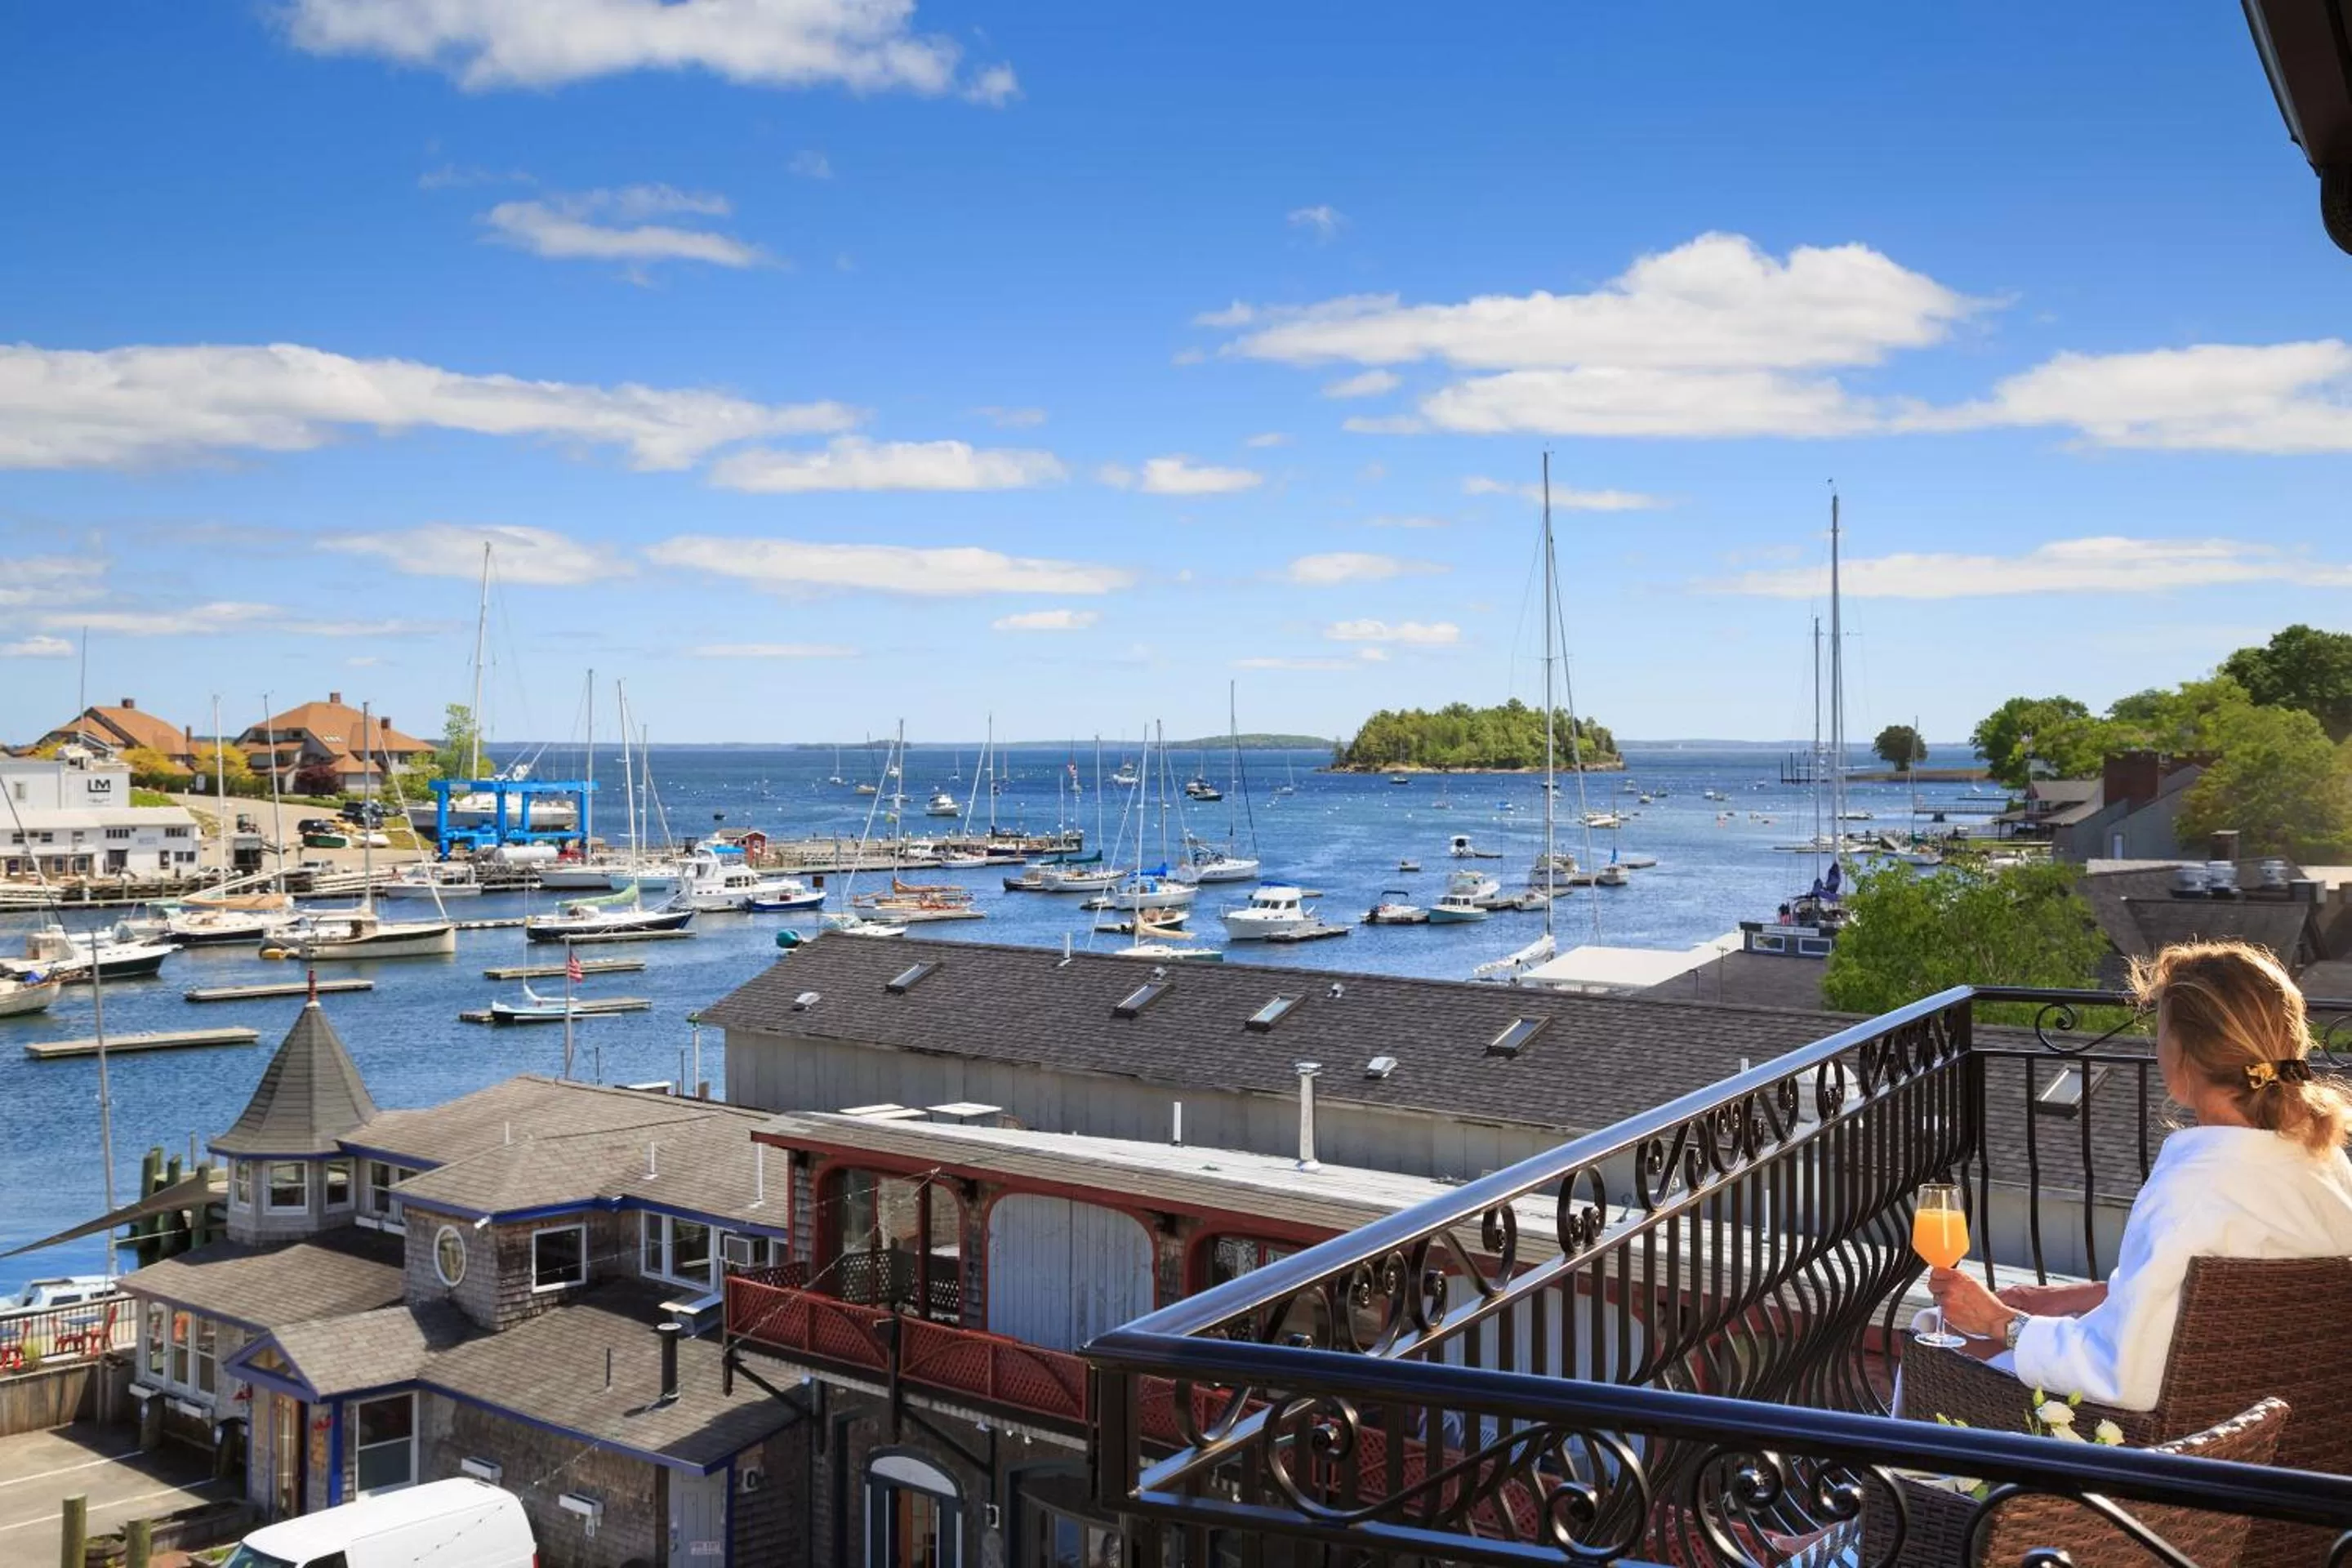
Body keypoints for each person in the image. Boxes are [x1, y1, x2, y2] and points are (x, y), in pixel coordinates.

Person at [1928, 939, 2352, 1410]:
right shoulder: (2325, 1162)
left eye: (2162, 1029)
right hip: (2287, 1423)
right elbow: (2231, 1299)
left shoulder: (2191, 1190)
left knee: (1939, 1347)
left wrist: (1999, 1322)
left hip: (2177, 1445)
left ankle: (1905, 1482)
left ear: (2185, 1055)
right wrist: (2083, 1297)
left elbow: (2125, 1375)